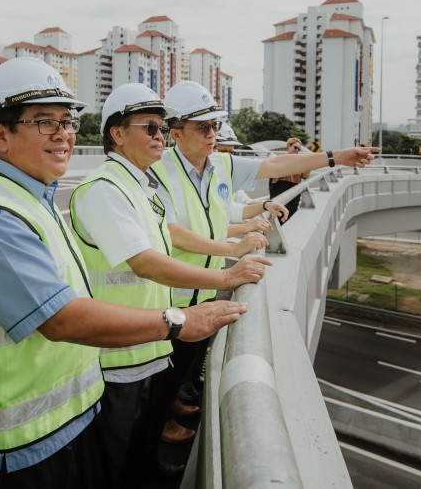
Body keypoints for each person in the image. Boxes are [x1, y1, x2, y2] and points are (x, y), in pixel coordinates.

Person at [0, 59, 250, 488]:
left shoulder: (34, 198)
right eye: (45, 122)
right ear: (1, 134)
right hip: (13, 447)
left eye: (68, 122)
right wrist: (180, 319)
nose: (64, 134)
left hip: (64, 417)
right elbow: (61, 317)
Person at [149, 81, 374, 452]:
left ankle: (165, 421)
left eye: (215, 126)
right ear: (176, 133)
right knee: (160, 377)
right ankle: (156, 442)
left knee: (180, 370)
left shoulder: (220, 164)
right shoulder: (160, 171)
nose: (212, 134)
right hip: (170, 292)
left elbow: (277, 164)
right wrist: (232, 247)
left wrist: (336, 157)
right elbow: (174, 234)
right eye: (203, 127)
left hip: (202, 291)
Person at [68, 83, 271, 485]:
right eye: (150, 128)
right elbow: (146, 263)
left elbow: (174, 237)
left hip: (146, 346)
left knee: (143, 444)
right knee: (115, 462)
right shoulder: (106, 190)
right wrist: (226, 275)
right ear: (118, 133)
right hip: (117, 358)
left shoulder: (142, 189)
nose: (162, 136)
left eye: (163, 128)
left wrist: (229, 247)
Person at [267, 137, 312, 218]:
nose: (297, 150)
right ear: (289, 146)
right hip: (280, 187)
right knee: (278, 215)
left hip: (295, 187)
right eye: (295, 147)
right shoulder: (280, 158)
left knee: (291, 214)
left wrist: (309, 165)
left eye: (299, 149)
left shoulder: (300, 161)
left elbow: (305, 176)